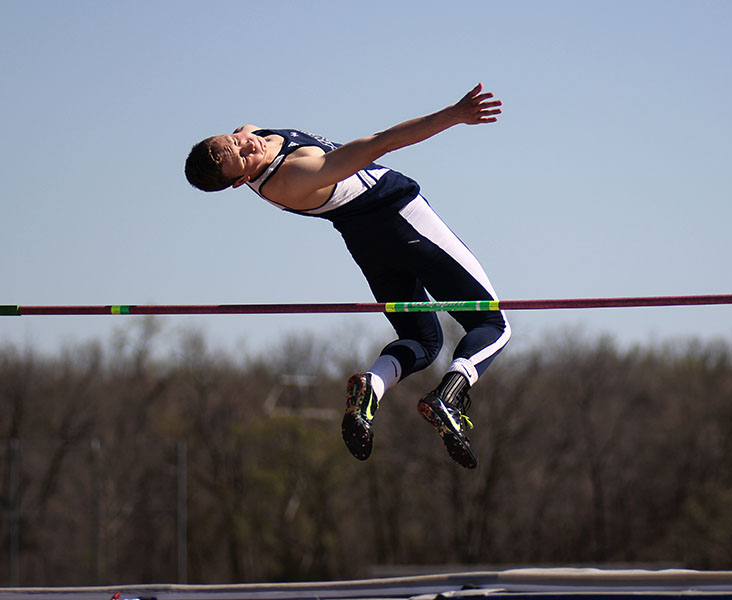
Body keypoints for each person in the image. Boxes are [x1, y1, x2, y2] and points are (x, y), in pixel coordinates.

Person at [184, 83, 510, 469]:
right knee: (492, 324)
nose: (246, 146)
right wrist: (452, 115)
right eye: (241, 159)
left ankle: (371, 386)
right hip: (402, 219)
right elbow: (381, 142)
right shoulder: (295, 175)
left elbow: (244, 136)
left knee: (421, 340)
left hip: (366, 242)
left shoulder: (246, 134)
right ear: (240, 182)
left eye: (234, 141)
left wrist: (240, 139)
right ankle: (448, 396)